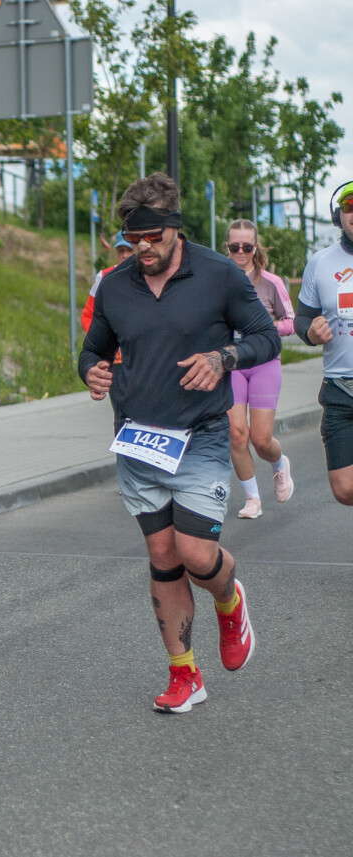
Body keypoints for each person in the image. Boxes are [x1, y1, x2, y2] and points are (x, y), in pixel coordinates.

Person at [78, 172, 280, 715]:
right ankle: (185, 674)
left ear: (175, 229)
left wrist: (224, 359)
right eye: (132, 239)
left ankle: (230, 600)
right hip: (139, 441)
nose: (141, 248)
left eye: (151, 238)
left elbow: (263, 335)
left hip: (203, 436)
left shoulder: (218, 274)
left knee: (195, 553)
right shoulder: (116, 284)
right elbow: (92, 348)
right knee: (162, 555)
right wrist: (92, 373)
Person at [223, 219, 296, 518]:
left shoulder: (271, 282)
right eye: (234, 246)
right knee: (237, 434)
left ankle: (280, 465)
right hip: (233, 365)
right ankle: (253, 498)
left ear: (256, 248)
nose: (240, 252)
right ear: (227, 247)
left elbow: (291, 322)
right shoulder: (219, 280)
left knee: (260, 439)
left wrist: (265, 329)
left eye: (247, 247)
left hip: (265, 363)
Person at [294, 179, 353, 506]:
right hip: (339, 390)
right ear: (339, 215)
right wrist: (311, 333)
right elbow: (303, 319)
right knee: (344, 490)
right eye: (349, 206)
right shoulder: (320, 262)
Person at [81, 232, 134, 335]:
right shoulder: (103, 276)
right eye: (121, 251)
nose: (125, 255)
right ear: (116, 252)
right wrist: (101, 341)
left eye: (129, 250)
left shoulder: (148, 277)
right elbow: (87, 315)